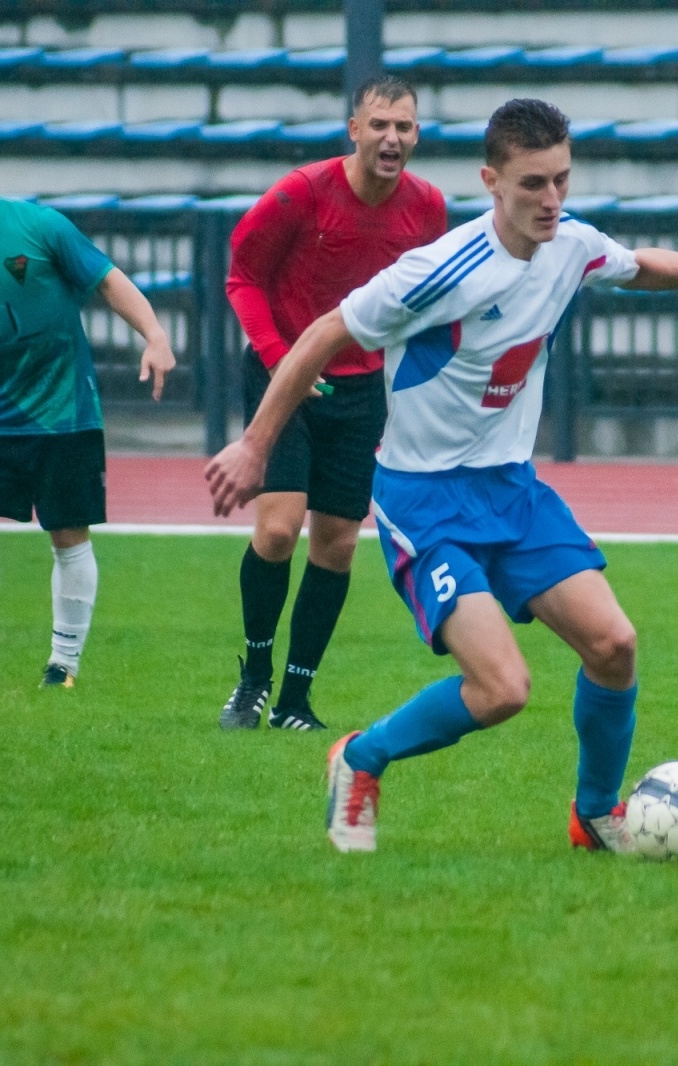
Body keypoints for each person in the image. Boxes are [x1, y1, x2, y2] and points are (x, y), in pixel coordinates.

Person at [206, 98, 678, 852]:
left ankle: (595, 815)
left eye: (562, 180)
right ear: (491, 182)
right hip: (425, 501)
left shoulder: (571, 245)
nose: (552, 200)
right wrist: (255, 445)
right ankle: (359, 758)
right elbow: (323, 334)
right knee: (503, 690)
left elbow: (632, 267)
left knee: (614, 646)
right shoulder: (436, 270)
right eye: (533, 183)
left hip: (513, 491)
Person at [0, 124, 175, 690]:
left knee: (68, 532)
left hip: (64, 413)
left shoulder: (41, 226)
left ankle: (63, 666)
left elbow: (109, 281)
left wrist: (155, 335)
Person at [218, 75, 446, 732]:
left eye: (404, 127)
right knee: (278, 530)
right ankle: (253, 679)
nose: (392, 138)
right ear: (353, 129)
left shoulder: (427, 205)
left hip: (360, 386)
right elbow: (243, 276)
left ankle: (295, 700)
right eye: (380, 124)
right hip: (285, 373)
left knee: (338, 545)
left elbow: (425, 297)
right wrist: (276, 359)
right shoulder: (301, 191)